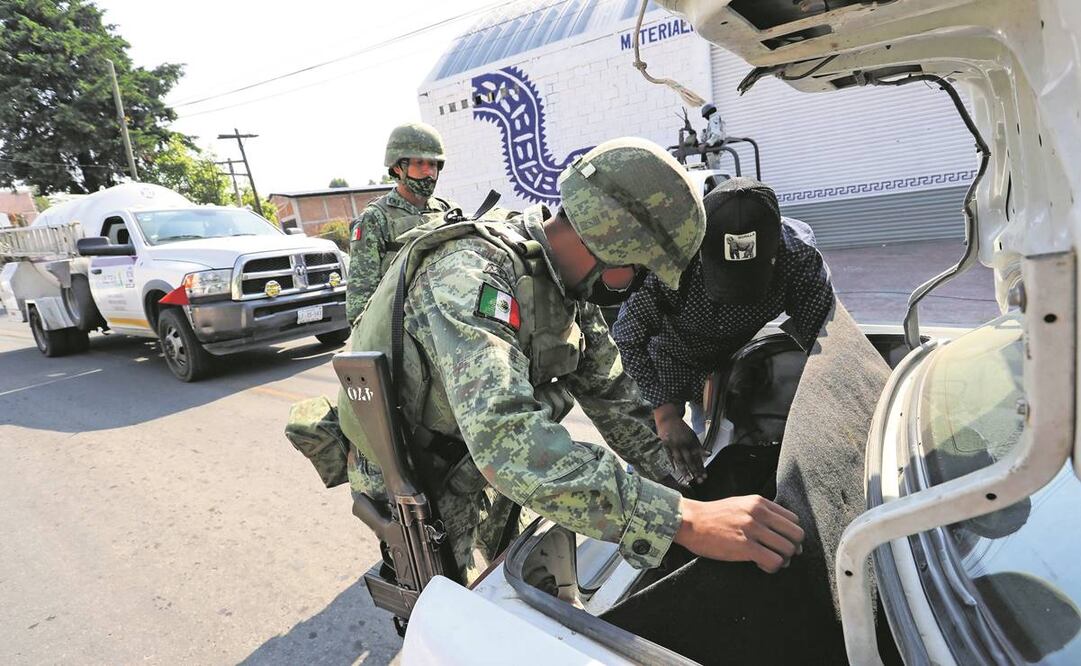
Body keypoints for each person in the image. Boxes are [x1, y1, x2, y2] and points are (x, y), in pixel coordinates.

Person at [338, 138, 805, 584]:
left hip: (475, 454)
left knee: (515, 563)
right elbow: (509, 443)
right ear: (613, 245)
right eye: (641, 270)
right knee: (449, 599)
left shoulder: (563, 282)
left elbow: (614, 397)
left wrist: (687, 486)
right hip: (421, 471)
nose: (636, 285)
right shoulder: (470, 278)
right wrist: (682, 520)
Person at [612, 177, 835, 484]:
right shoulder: (670, 261)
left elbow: (821, 339)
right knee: (659, 463)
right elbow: (628, 336)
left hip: (728, 366)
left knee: (711, 458)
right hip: (666, 363)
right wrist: (664, 415)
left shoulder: (797, 257)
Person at [345, 122, 457, 323]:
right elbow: (360, 301)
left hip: (449, 318)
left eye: (433, 164)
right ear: (398, 167)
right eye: (419, 163)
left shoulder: (447, 211)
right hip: (403, 328)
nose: (429, 172)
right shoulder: (375, 219)